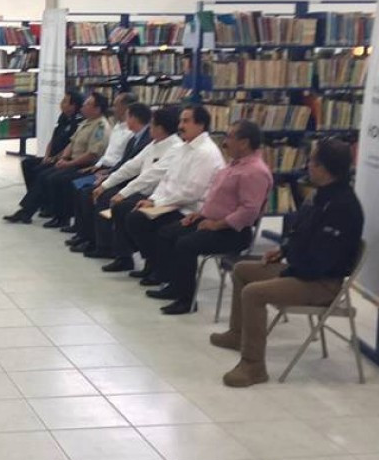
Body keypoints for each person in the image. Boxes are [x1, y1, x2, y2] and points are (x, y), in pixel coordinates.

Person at [212, 138, 363, 387]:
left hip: (321, 283)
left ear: (325, 169)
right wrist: (282, 251)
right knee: (242, 270)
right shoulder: (319, 195)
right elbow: (301, 234)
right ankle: (238, 334)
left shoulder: (343, 207)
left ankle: (253, 366)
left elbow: (320, 262)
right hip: (301, 270)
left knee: (253, 293)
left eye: (312, 161)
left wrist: (287, 268)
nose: (308, 165)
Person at [146, 120, 273, 314]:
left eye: (230, 137)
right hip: (211, 221)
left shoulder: (254, 171)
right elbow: (217, 198)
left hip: (232, 232)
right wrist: (200, 214)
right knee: (166, 232)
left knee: (185, 244)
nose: (225, 141)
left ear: (244, 143)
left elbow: (249, 211)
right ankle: (174, 284)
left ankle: (187, 300)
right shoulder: (234, 165)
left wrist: (217, 225)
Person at [111, 105, 225, 277]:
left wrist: (157, 203)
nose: (180, 126)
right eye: (180, 121)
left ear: (200, 125)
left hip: (190, 209)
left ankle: (159, 268)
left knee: (139, 219)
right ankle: (153, 263)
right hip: (172, 204)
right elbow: (166, 180)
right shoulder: (184, 148)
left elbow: (190, 192)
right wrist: (153, 200)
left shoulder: (205, 152)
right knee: (126, 211)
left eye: (186, 121)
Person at [78, 107, 182, 259]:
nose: (149, 128)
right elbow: (131, 166)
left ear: (160, 128)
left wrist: (123, 193)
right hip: (143, 190)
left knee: (122, 207)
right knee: (103, 195)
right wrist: (105, 184)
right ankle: (106, 246)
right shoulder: (154, 144)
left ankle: (128, 255)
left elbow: (151, 175)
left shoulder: (175, 147)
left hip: (157, 196)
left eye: (152, 124)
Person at [3, 91, 111, 225]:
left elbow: (92, 155)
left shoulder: (101, 127)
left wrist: (69, 163)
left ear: (97, 109)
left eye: (88, 104)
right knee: (43, 173)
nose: (83, 106)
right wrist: (64, 158)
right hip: (72, 161)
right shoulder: (86, 122)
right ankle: (28, 211)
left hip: (85, 166)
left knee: (52, 177)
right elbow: (71, 143)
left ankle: (59, 217)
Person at [66, 101, 153, 250]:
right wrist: (106, 173)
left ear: (134, 118)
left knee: (94, 194)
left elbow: (133, 169)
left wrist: (108, 177)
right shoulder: (134, 137)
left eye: (127, 116)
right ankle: (85, 234)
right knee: (80, 187)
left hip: (129, 182)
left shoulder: (145, 140)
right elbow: (124, 163)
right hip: (112, 172)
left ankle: (101, 243)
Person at [22, 92, 84, 193]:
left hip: (62, 159)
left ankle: (36, 201)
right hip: (50, 157)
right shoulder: (62, 117)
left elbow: (71, 146)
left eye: (65, 101)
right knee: (26, 164)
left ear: (73, 106)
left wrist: (54, 158)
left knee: (39, 171)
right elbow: (52, 139)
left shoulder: (77, 122)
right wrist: (46, 156)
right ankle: (34, 198)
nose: (61, 104)